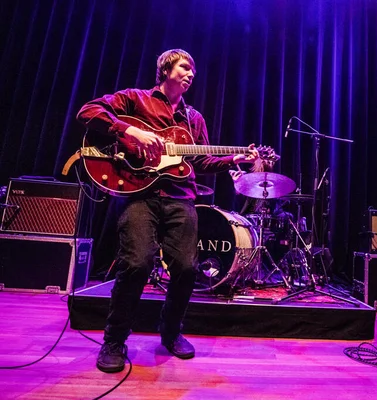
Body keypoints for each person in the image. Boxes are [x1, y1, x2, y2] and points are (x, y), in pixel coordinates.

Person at [77, 49, 259, 373]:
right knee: (136, 263)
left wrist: (235, 158)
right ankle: (114, 340)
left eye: (193, 70)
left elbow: (200, 161)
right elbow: (88, 111)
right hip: (139, 196)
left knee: (188, 269)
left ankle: (171, 332)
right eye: (185, 67)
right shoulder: (136, 99)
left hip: (180, 198)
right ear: (166, 69)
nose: (191, 74)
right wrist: (129, 130)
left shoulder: (194, 119)